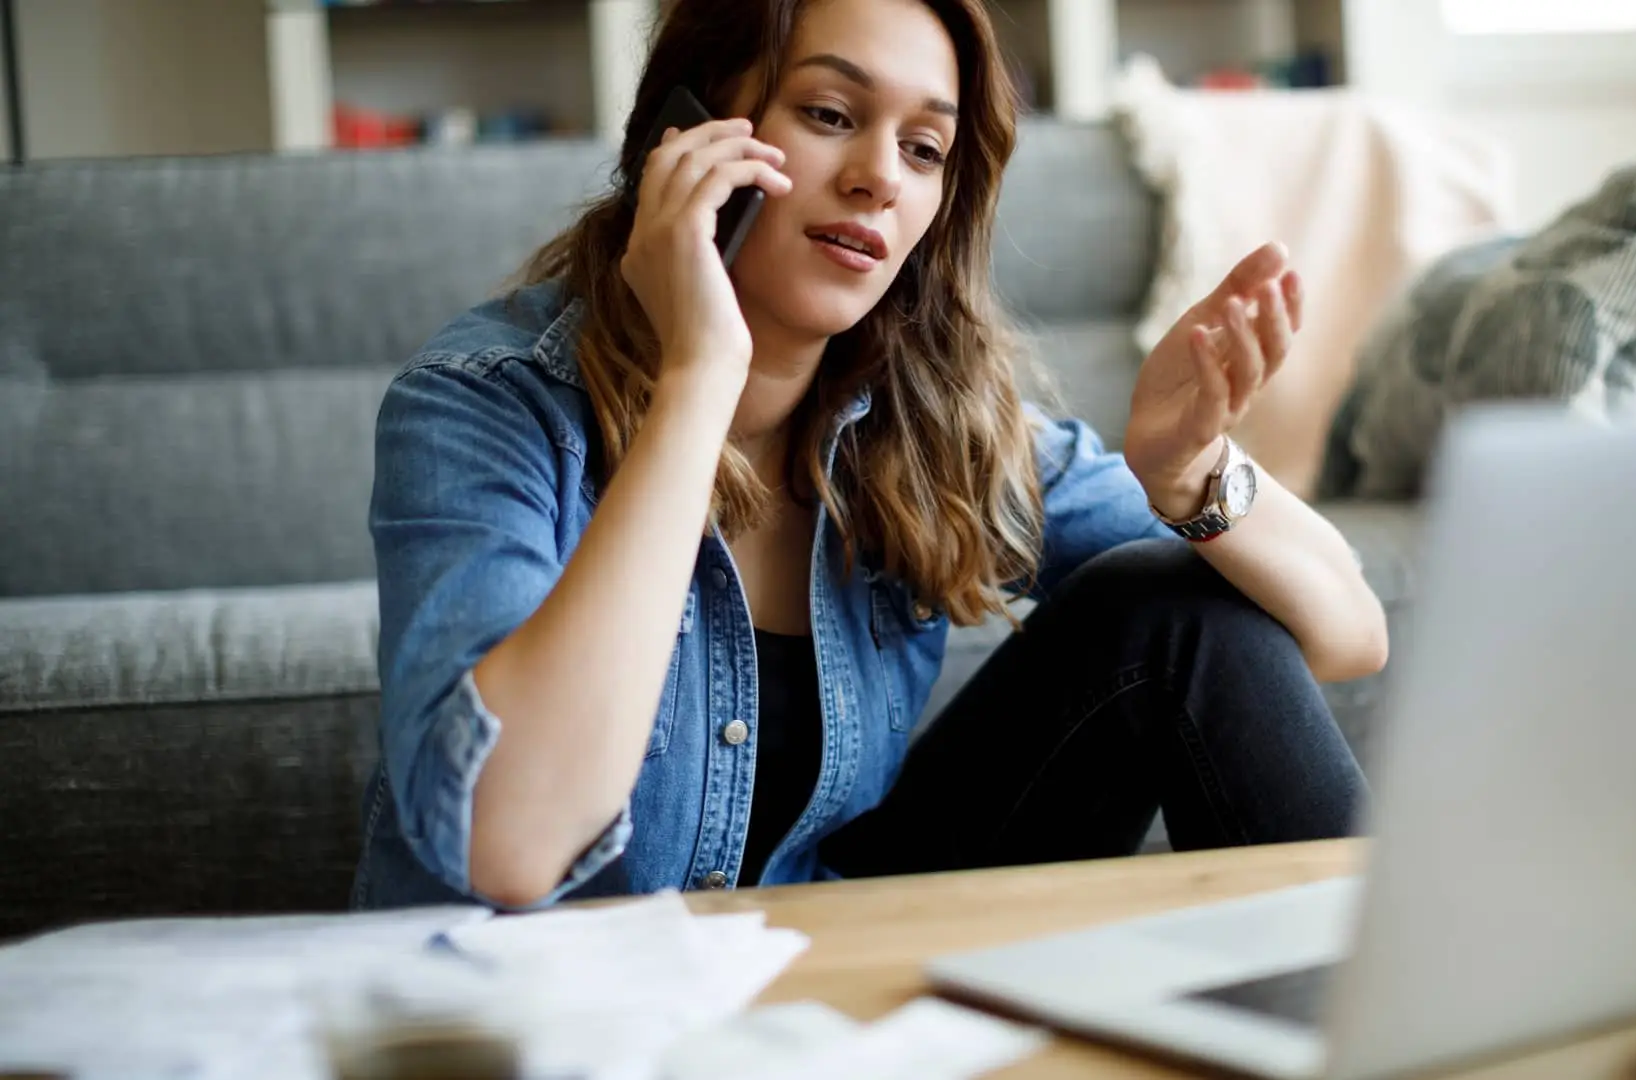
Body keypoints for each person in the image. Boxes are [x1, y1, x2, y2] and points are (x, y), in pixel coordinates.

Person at [351, 0, 1388, 912]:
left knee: (1176, 605)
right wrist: (700, 377)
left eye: (925, 150)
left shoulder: (925, 424)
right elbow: (513, 851)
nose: (878, 180)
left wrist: (1192, 477)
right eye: (831, 116)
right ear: (692, 133)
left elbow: (1345, 637)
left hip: (815, 971)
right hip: (553, 1019)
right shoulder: (484, 404)